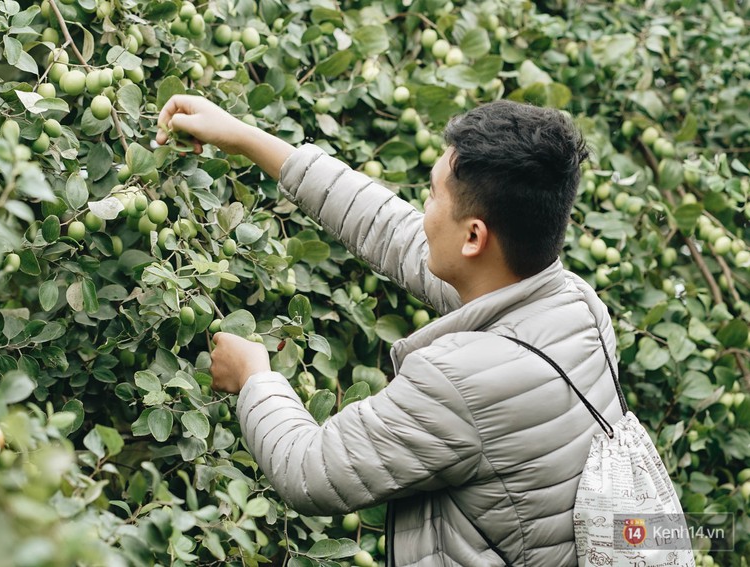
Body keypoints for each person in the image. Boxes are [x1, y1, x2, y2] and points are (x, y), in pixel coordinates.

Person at [156, 96, 626, 567]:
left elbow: (309, 472)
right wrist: (245, 137)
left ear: (474, 237)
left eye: (432, 195)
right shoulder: (576, 304)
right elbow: (389, 229)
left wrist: (255, 378)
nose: (423, 211)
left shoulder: (458, 384)